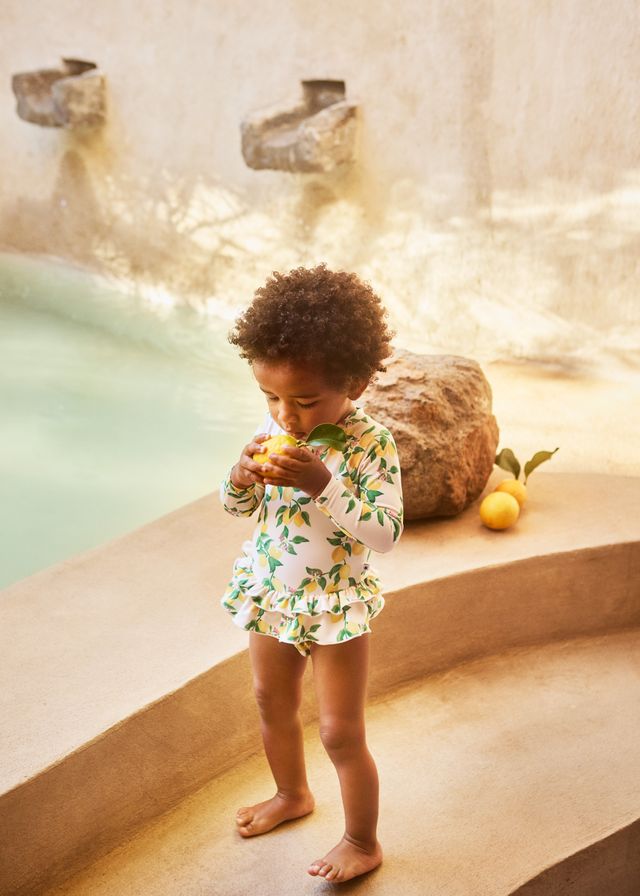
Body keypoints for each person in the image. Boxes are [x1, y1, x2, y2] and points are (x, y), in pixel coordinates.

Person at [219, 263, 404, 884]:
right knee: (270, 701)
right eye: (271, 398)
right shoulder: (271, 429)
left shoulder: (371, 444)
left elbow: (385, 533)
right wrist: (240, 476)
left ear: (353, 381)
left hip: (334, 603)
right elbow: (238, 508)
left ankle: (361, 841)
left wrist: (324, 483)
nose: (286, 416)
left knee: (339, 731)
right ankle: (291, 794)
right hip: (272, 592)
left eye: (303, 401)